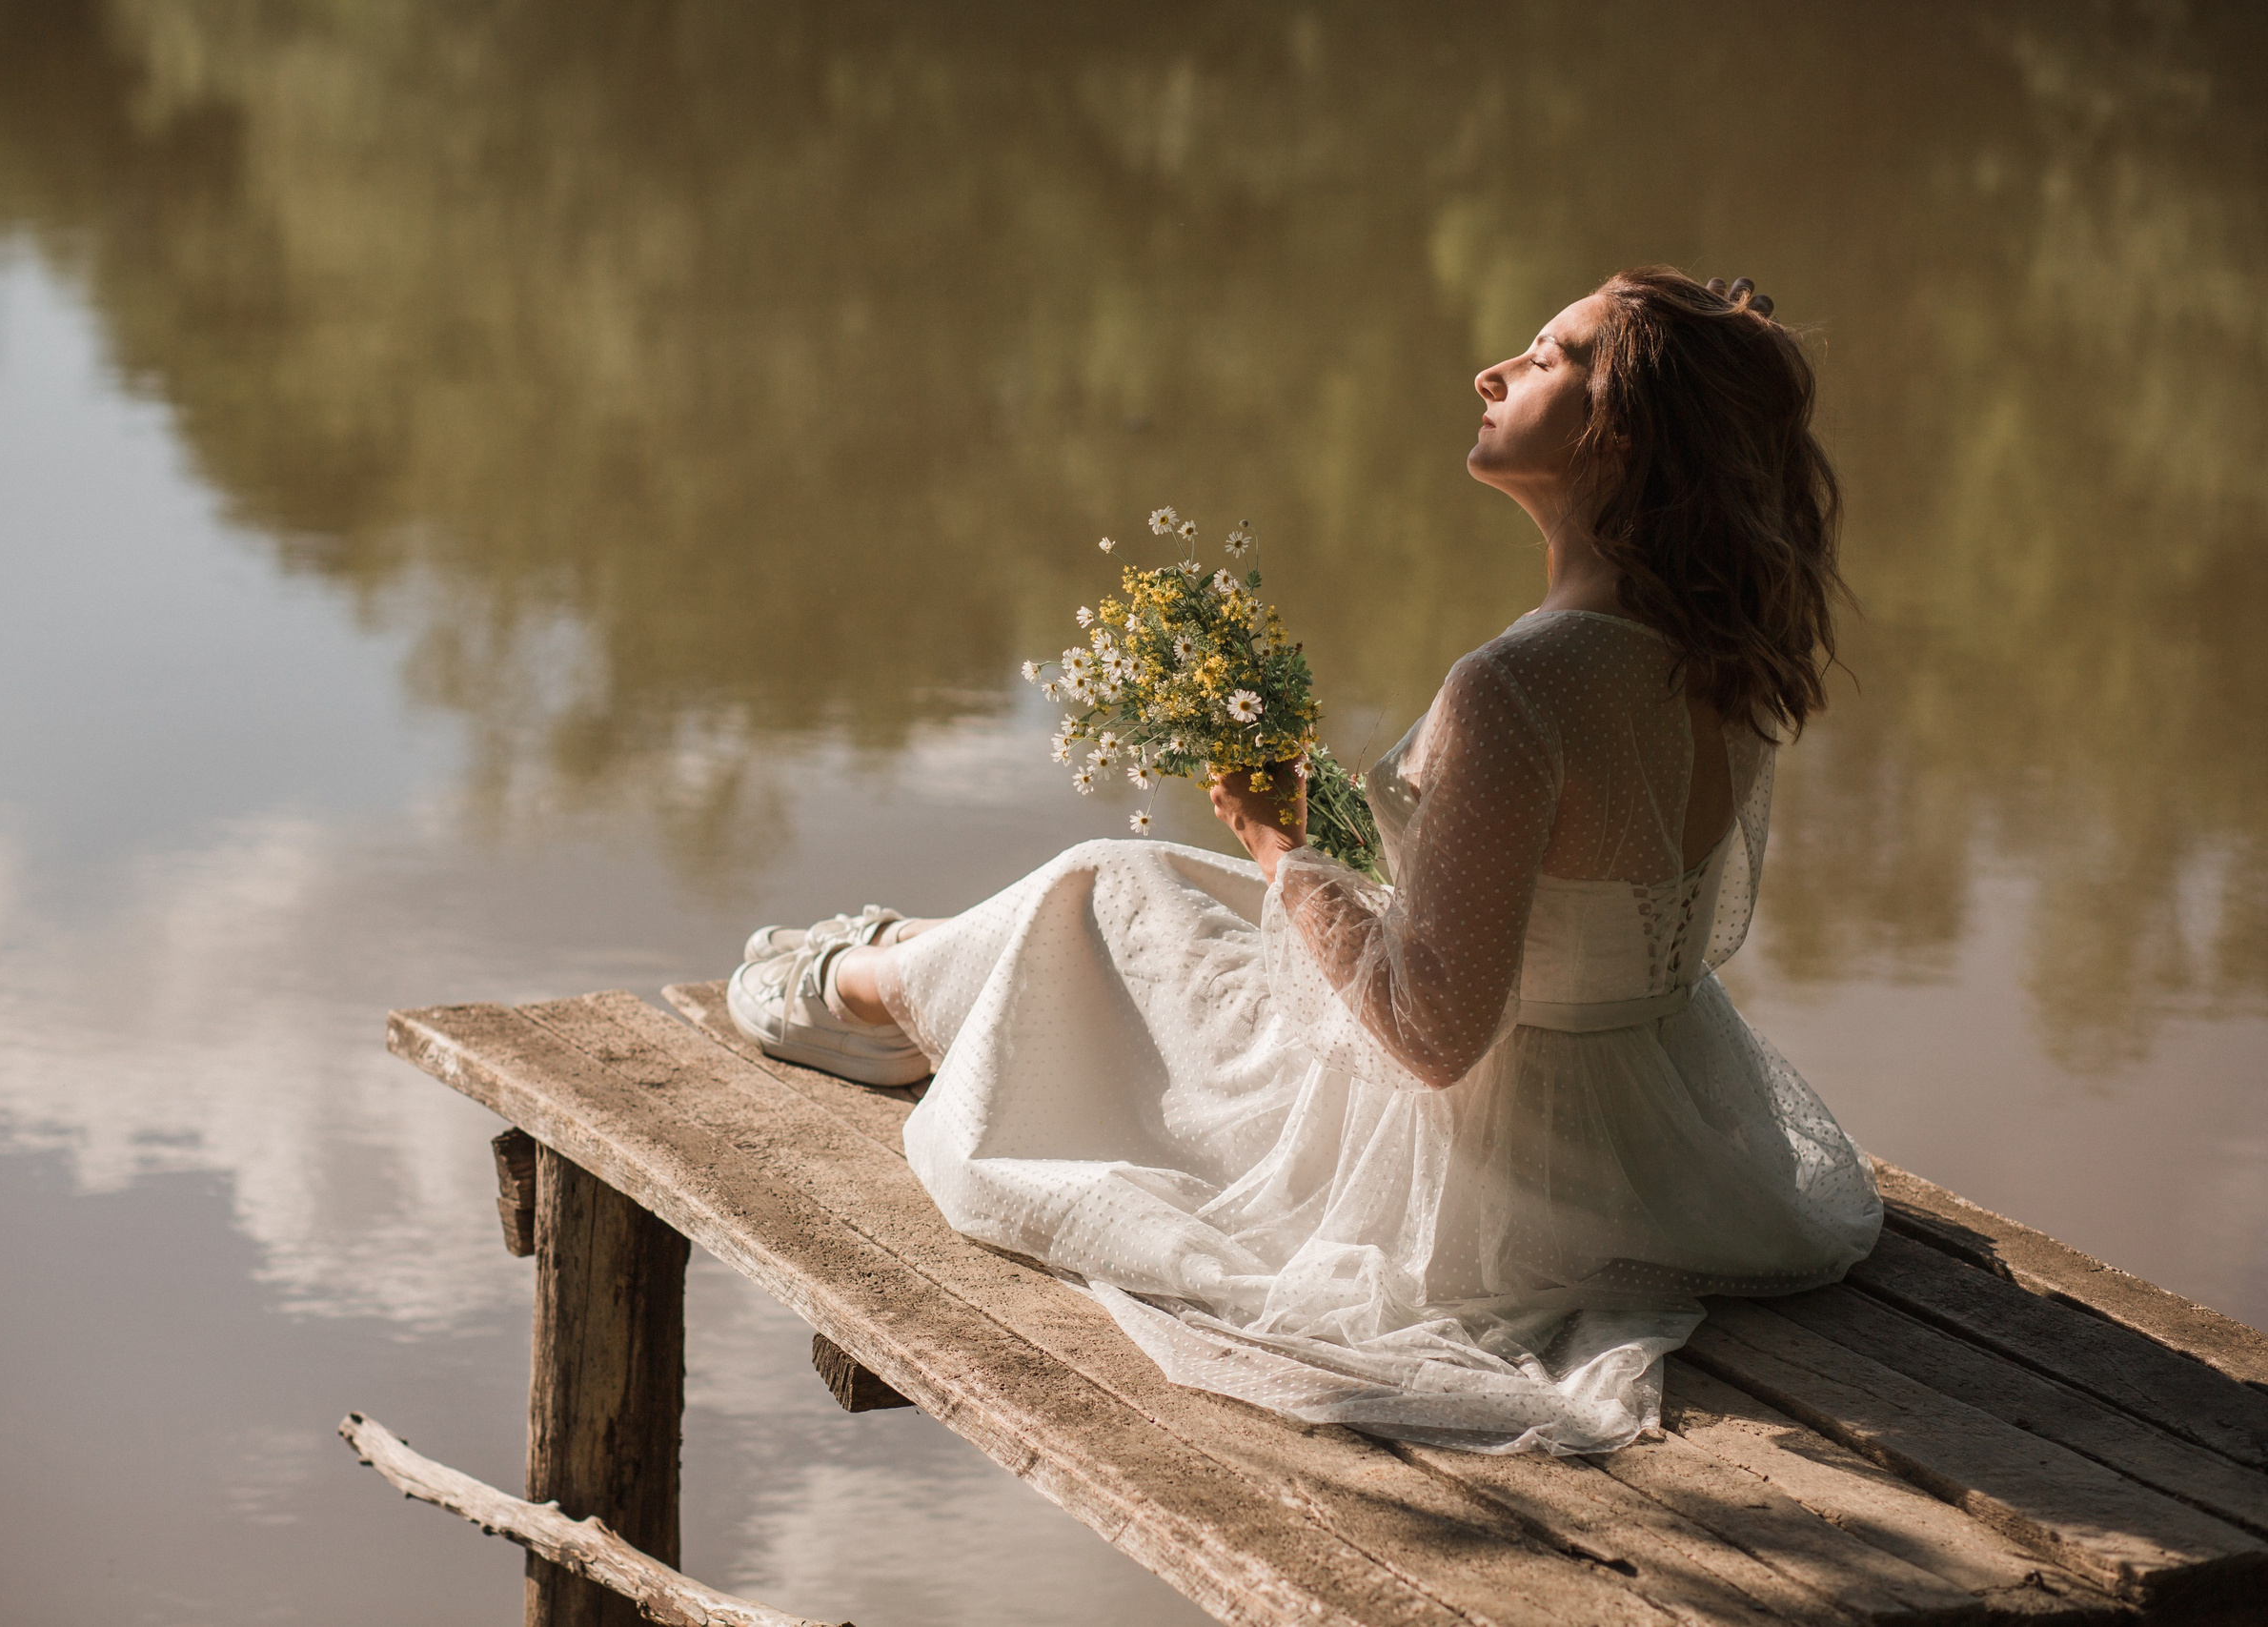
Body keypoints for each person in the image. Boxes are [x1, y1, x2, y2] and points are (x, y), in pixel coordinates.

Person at [725, 269, 1882, 1455]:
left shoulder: (1520, 686)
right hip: (1657, 1142)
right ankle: (911, 958)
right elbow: (1562, 924)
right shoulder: (1720, 655)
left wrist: (1278, 844)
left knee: (1103, 887)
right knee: (1173, 904)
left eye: (1546, 357)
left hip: (1487, 1181)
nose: (1492, 371)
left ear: (1618, 430)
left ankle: (847, 982)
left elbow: (1431, 1036)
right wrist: (1298, 862)